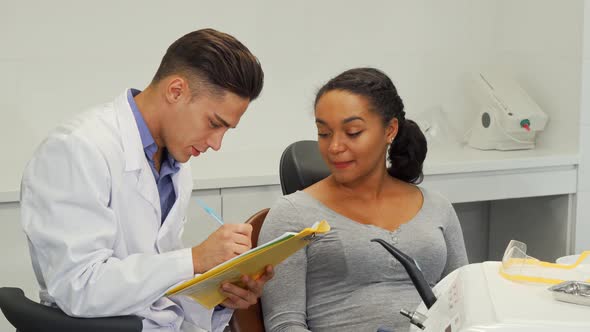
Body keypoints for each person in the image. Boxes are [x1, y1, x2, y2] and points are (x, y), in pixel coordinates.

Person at [20, 28, 273, 332]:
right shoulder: (76, 148)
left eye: (226, 130)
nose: (216, 143)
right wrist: (193, 259)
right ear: (176, 91)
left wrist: (219, 295)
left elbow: (154, 284)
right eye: (213, 123)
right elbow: (79, 287)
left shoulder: (175, 162)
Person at [259, 68, 468, 332]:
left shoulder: (438, 207)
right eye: (324, 133)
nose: (334, 146)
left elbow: (462, 304)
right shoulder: (291, 214)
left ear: (390, 130)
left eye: (353, 132)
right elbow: (284, 325)